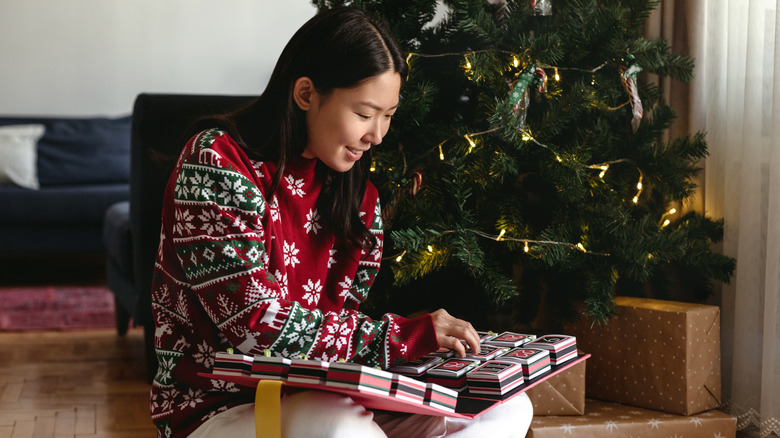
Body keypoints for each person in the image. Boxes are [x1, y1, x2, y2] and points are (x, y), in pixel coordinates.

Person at [149, 6, 533, 438]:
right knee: (336, 424)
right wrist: (402, 336)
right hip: (219, 408)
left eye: (388, 115)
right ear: (306, 94)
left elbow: (336, 335)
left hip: (320, 394)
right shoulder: (216, 164)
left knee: (504, 406)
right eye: (366, 114)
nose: (378, 135)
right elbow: (256, 327)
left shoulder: (357, 198)